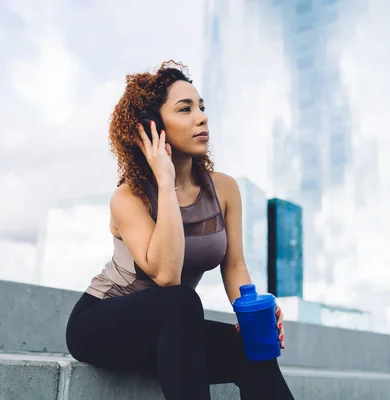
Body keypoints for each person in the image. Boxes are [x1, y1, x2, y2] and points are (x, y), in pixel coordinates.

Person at [65, 60, 295, 400]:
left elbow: (233, 265)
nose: (201, 117)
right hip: (100, 325)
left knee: (252, 350)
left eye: (201, 107)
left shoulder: (225, 189)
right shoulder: (129, 197)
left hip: (171, 334)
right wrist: (165, 179)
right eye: (185, 109)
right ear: (154, 127)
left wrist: (252, 314)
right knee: (180, 300)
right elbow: (167, 277)